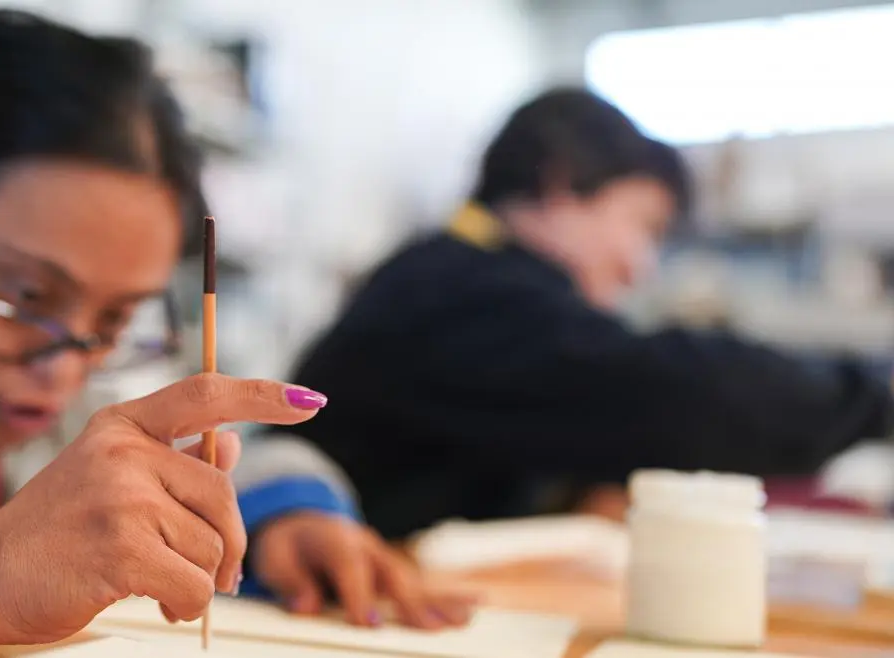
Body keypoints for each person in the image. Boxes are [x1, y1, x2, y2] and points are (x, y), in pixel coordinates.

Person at [0, 11, 470, 657]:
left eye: (115, 320)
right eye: (26, 293)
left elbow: (175, 465)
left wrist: (285, 513)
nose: (66, 368)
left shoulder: (18, 370)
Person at [262, 87, 894, 541]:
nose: (640, 266)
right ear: (561, 185)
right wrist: (875, 395)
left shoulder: (446, 272)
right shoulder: (460, 291)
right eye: (643, 226)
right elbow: (681, 395)